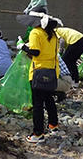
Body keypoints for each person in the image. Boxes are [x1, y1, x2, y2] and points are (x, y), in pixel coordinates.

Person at [16, 9, 60, 143]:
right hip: (52, 71)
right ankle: (53, 124)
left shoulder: (36, 32)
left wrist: (22, 46)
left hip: (38, 72)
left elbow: (35, 51)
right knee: (49, 98)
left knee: (38, 104)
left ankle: (38, 133)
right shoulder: (52, 34)